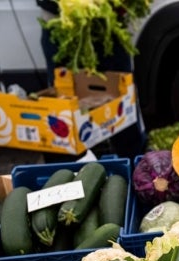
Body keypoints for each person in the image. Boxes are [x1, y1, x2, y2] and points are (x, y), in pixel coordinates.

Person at [36, 0, 146, 162]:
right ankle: (67, 177)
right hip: (59, 23)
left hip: (109, 22)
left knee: (122, 105)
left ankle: (135, 167)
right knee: (65, 110)